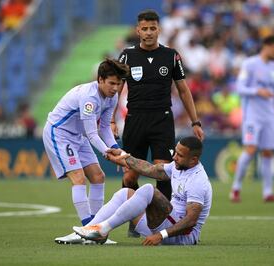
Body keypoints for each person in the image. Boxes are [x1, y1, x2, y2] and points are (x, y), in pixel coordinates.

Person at [114, 10, 204, 236]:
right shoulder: (126, 56)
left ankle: (159, 222)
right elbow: (116, 89)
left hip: (162, 119)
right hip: (134, 119)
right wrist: (110, 120)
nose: (148, 33)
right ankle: (133, 221)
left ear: (159, 30)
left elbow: (183, 90)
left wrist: (195, 121)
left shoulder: (171, 56)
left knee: (162, 172)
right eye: (144, 29)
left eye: (152, 28)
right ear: (138, 31)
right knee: (129, 175)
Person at [42, 59, 129, 244]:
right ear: (100, 80)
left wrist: (116, 150)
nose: (115, 88)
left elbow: (105, 127)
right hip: (59, 133)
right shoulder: (89, 97)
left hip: (78, 136)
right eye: (111, 83)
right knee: (78, 178)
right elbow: (92, 133)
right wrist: (109, 153)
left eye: (118, 83)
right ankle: (87, 229)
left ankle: (94, 230)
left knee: (98, 177)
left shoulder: (112, 97)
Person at [73, 136, 212, 246]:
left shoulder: (198, 181)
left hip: (182, 237)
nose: (174, 157)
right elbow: (150, 169)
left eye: (180, 155)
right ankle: (88, 230)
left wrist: (160, 235)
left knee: (148, 189)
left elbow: (191, 220)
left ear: (193, 160)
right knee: (125, 193)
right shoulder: (178, 166)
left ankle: (102, 230)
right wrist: (123, 156)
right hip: (164, 225)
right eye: (175, 152)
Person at [229, 35, 274, 203]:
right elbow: (240, 87)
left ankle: (268, 193)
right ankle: (235, 188)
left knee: (268, 152)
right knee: (250, 150)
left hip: (269, 117)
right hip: (252, 117)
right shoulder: (250, 64)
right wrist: (258, 91)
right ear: (267, 46)